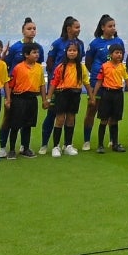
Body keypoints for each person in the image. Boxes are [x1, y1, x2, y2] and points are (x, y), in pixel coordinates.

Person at [82, 15, 125, 151]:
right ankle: (87, 140)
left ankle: (113, 141)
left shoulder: (119, 41)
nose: (113, 28)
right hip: (97, 82)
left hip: (113, 85)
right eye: (110, 26)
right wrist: (98, 74)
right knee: (92, 109)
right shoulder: (95, 43)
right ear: (102, 28)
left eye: (114, 26)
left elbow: (119, 62)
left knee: (112, 113)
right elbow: (88, 62)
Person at [39, 17, 82, 154]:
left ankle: (67, 144)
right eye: (76, 27)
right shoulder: (58, 43)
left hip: (73, 89)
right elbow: (50, 62)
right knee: (54, 115)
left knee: (70, 116)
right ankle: (46, 144)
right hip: (58, 87)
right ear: (69, 29)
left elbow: (80, 64)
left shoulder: (79, 44)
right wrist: (56, 80)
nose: (79, 30)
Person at [46, 40, 87, 157]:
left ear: (78, 53)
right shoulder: (61, 67)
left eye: (74, 50)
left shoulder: (81, 67)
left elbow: (86, 81)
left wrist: (91, 94)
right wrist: (49, 97)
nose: (72, 53)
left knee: (70, 118)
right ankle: (56, 146)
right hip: (62, 94)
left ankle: (68, 145)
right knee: (59, 119)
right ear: (66, 52)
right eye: (70, 50)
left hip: (75, 94)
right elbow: (54, 82)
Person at [4, 42, 44, 158]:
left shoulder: (39, 68)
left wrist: (44, 99)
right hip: (19, 98)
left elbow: (42, 84)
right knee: (15, 125)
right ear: (26, 55)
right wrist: (8, 99)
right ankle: (11, 150)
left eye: (37, 52)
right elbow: (11, 85)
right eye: (34, 52)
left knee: (28, 125)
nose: (37, 55)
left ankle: (25, 148)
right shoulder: (18, 68)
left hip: (32, 99)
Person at [88, 43, 128, 153]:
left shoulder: (122, 67)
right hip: (107, 94)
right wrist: (93, 95)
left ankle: (115, 143)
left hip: (118, 94)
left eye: (120, 53)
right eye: (116, 53)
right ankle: (100, 145)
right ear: (110, 54)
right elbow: (99, 81)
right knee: (104, 120)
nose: (119, 55)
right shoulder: (105, 66)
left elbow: (127, 80)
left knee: (115, 120)